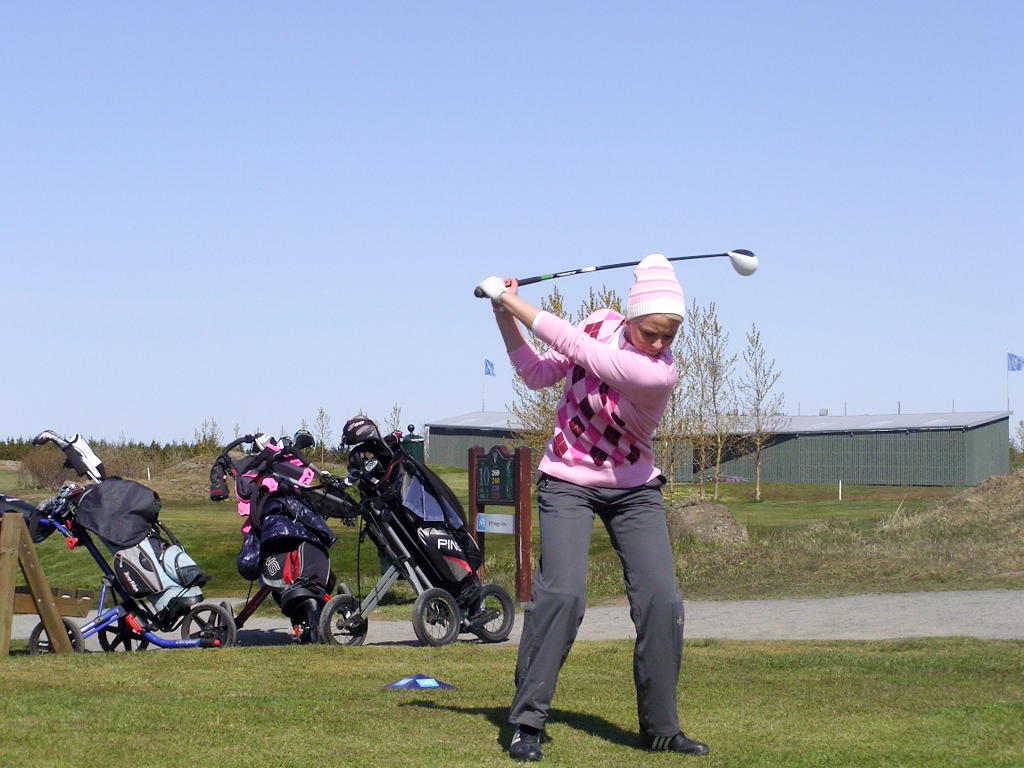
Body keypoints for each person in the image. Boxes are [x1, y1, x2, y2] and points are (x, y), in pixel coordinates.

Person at [475, 254, 709, 762]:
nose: (659, 344)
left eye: (669, 336)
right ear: (630, 316)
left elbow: (574, 345)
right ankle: (527, 722)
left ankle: (661, 730)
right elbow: (536, 373)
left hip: (634, 488)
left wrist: (509, 299)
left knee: (662, 602)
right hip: (567, 480)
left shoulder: (656, 374)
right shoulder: (601, 322)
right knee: (561, 596)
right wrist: (502, 314)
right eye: (650, 332)